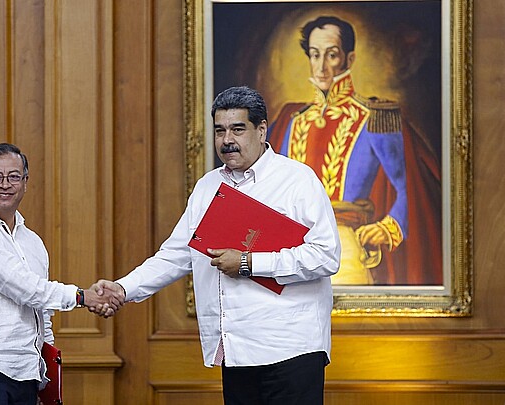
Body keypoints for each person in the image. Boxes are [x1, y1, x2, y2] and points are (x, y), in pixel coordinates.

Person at [94, 86, 341, 404]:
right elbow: (176, 254)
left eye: (238, 129)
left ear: (261, 129)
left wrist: (249, 262)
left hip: (291, 348)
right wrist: (123, 289)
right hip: (235, 349)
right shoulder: (207, 187)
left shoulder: (297, 180)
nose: (227, 140)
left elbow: (325, 256)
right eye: (220, 130)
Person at [266, 15, 442, 285]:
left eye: (331, 55)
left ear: (349, 60)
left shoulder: (375, 117)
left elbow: (408, 188)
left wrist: (388, 227)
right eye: (315, 55)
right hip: (288, 246)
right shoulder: (291, 119)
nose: (321, 67)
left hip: (344, 245)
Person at [0, 143, 121, 405]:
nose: (5, 184)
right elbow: (21, 286)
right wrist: (84, 297)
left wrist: (44, 379)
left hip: (26, 376)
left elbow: (42, 314)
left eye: (14, 176)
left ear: (25, 182)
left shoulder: (33, 242)